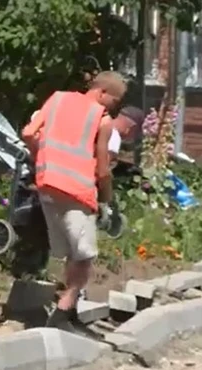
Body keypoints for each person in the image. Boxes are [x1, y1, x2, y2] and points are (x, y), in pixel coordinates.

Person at [22, 71, 127, 333]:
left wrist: (41, 159)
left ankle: (70, 313)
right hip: (76, 190)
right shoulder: (101, 120)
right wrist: (107, 199)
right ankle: (63, 313)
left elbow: (27, 133)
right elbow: (102, 170)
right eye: (115, 101)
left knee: (71, 252)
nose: (115, 107)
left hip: (47, 185)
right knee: (84, 256)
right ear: (102, 92)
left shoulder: (57, 100)